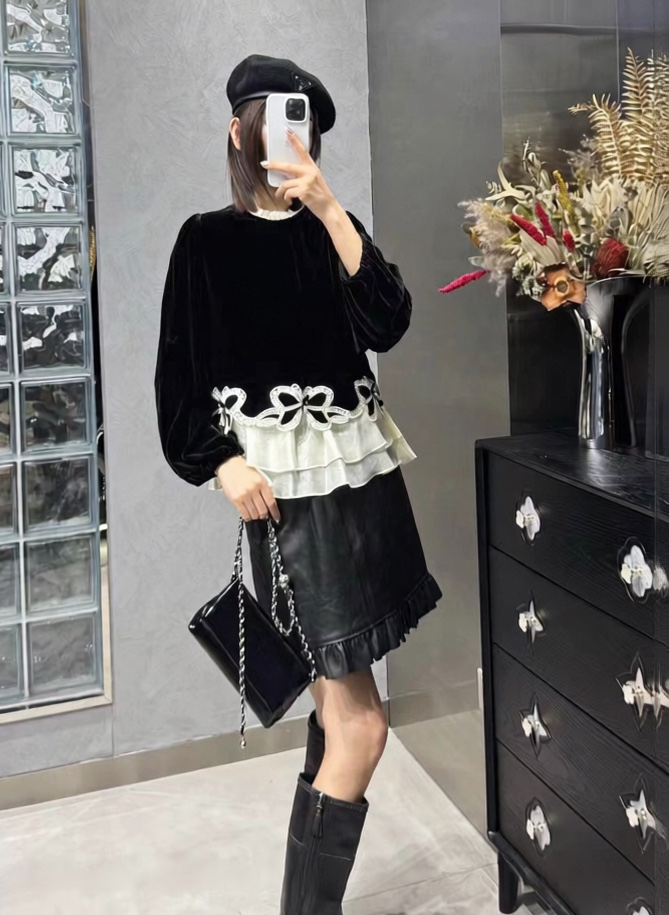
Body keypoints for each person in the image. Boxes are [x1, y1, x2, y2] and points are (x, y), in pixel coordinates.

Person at [155, 53, 442, 915]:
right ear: (237, 131)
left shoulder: (330, 228)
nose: (291, 133)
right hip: (293, 506)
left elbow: (388, 321)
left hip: (364, 491)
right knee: (363, 724)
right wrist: (222, 461)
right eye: (274, 116)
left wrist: (328, 207)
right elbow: (178, 385)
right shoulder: (205, 241)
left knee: (335, 716)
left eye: (303, 121)